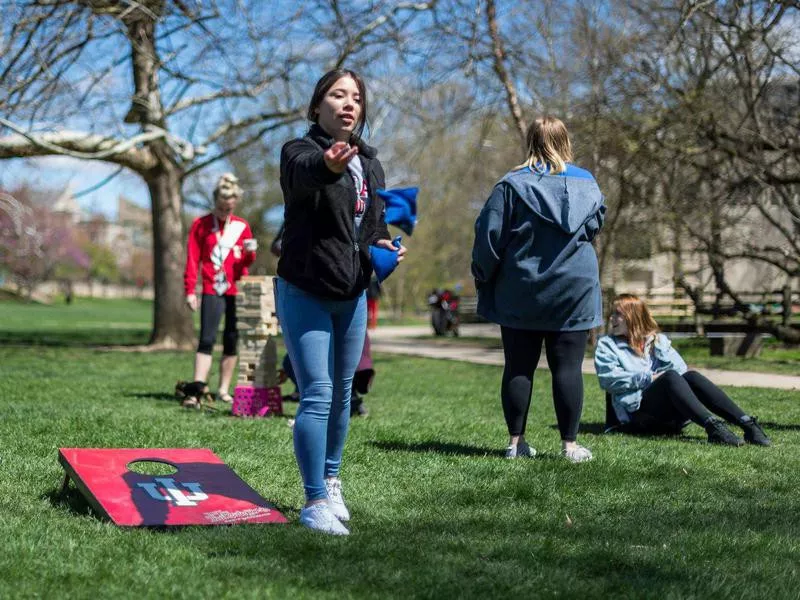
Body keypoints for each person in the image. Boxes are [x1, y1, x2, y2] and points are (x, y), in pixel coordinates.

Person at [276, 68, 406, 535]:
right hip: (305, 289)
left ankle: (331, 480)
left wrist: (386, 247)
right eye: (337, 95)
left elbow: (371, 227)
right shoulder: (300, 152)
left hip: (351, 294)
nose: (348, 103)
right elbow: (304, 177)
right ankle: (313, 503)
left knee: (344, 395)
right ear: (317, 107)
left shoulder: (370, 165)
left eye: (356, 97)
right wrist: (327, 165)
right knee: (317, 394)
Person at [471, 116, 605, 463]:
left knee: (518, 366)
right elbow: (593, 226)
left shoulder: (511, 185)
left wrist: (483, 275)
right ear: (565, 141)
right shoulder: (588, 184)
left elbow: (489, 237)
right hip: (574, 289)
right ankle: (570, 446)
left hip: (522, 288)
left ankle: (516, 443)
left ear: (530, 141)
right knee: (568, 367)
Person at [594, 294, 771, 446]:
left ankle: (748, 425)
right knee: (670, 376)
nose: (611, 318)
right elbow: (608, 379)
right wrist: (651, 378)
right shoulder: (607, 345)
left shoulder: (657, 340)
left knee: (691, 376)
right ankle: (713, 427)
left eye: (617, 314)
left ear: (633, 317)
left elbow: (681, 369)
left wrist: (657, 352)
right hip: (636, 416)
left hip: (668, 415)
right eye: (612, 314)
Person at [183, 173, 256, 407]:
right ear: (215, 201)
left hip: (235, 289)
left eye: (229, 208)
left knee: (231, 340)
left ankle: (224, 390)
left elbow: (246, 264)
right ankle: (197, 388)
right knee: (206, 338)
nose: (225, 212)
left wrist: (249, 254)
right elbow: (193, 259)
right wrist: (189, 290)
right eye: (221, 207)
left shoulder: (241, 226)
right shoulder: (201, 225)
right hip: (211, 287)